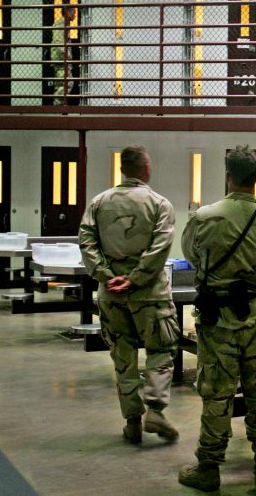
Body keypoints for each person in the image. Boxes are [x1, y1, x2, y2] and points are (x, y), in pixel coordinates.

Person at [178, 145, 256, 492]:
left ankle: (209, 467)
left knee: (216, 393)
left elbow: (191, 255)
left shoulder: (204, 217)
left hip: (218, 317)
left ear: (227, 176)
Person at [78, 145, 181, 445]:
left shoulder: (99, 203)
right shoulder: (160, 204)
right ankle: (156, 410)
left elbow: (86, 242)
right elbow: (160, 248)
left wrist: (107, 276)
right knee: (160, 351)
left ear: (122, 169)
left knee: (123, 357)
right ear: (146, 168)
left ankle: (132, 422)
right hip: (151, 295)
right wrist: (135, 279)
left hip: (111, 296)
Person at [50, 6, 76, 105]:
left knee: (62, 84)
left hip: (62, 58)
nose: (74, 14)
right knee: (66, 83)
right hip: (61, 59)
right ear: (67, 12)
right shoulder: (60, 24)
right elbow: (58, 42)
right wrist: (67, 55)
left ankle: (60, 107)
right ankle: (58, 105)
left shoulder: (65, 24)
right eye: (73, 12)